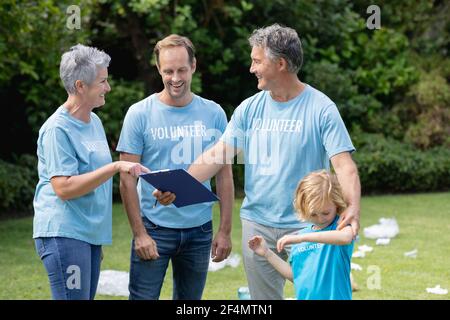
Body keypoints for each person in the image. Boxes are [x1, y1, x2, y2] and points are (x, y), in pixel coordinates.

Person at [188, 23, 361, 299]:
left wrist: (352, 207)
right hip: (258, 224)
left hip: (310, 223)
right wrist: (180, 183)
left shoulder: (321, 108)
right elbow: (218, 154)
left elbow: (344, 165)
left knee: (318, 294)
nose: (251, 68)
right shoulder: (249, 108)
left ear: (280, 63)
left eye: (257, 60)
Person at [117, 34, 234, 300]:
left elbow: (224, 175)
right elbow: (126, 181)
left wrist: (225, 231)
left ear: (193, 66)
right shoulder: (139, 114)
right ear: (159, 69)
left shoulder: (214, 113)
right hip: (154, 229)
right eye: (168, 71)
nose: (175, 77)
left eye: (182, 69)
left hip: (200, 230)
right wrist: (140, 234)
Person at [33, 44, 149, 300]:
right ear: (80, 86)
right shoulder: (57, 129)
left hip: (87, 236)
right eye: (102, 81)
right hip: (63, 233)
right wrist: (116, 166)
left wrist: (92, 240)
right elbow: (63, 188)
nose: (108, 87)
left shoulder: (94, 121)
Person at [248, 170, 354, 300]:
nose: (320, 219)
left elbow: (346, 238)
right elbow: (295, 275)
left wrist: (301, 238)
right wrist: (267, 253)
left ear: (337, 204)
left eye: (326, 213)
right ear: (303, 208)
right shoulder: (301, 236)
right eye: (313, 214)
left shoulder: (340, 227)